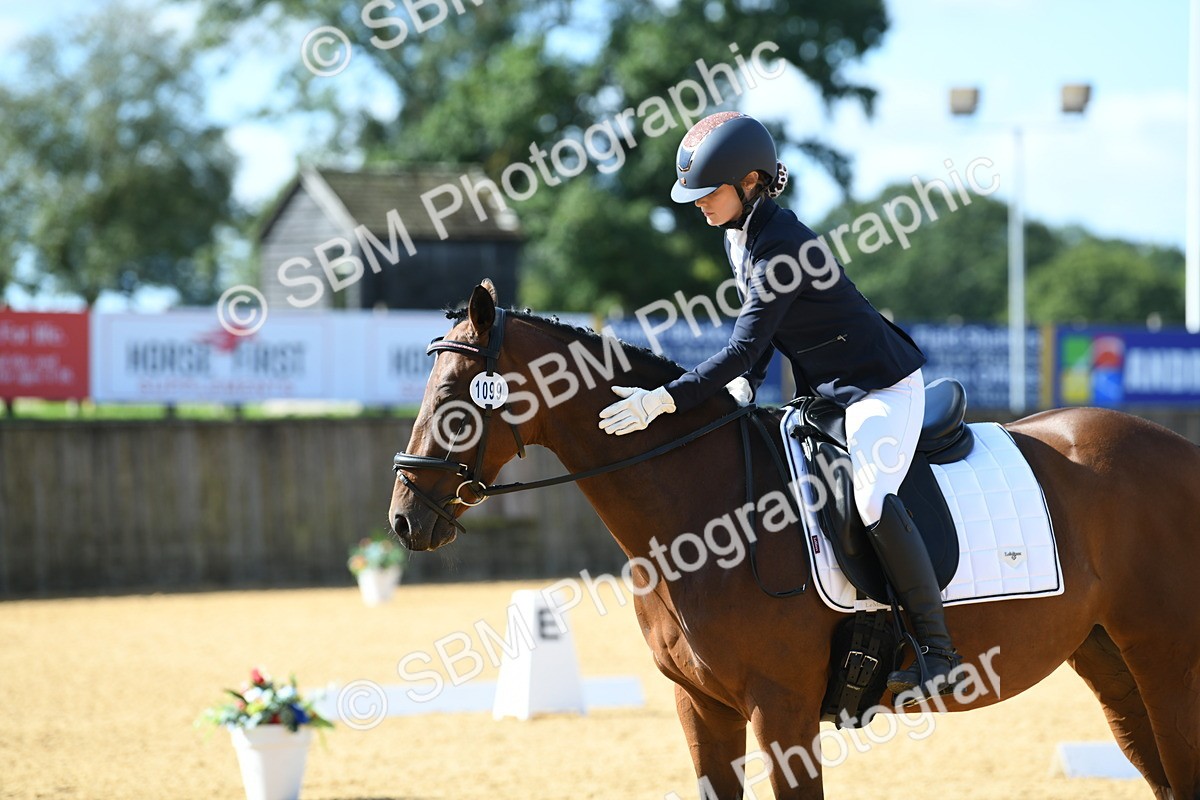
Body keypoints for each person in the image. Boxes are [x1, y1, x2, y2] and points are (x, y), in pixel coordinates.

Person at [597, 111, 961, 698]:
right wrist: (748, 385)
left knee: (871, 498)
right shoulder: (738, 236)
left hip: (879, 387)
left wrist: (664, 400)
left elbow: (743, 345)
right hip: (825, 393)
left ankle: (939, 651)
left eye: (708, 191)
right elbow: (764, 334)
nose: (698, 203)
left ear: (750, 182)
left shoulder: (783, 246)